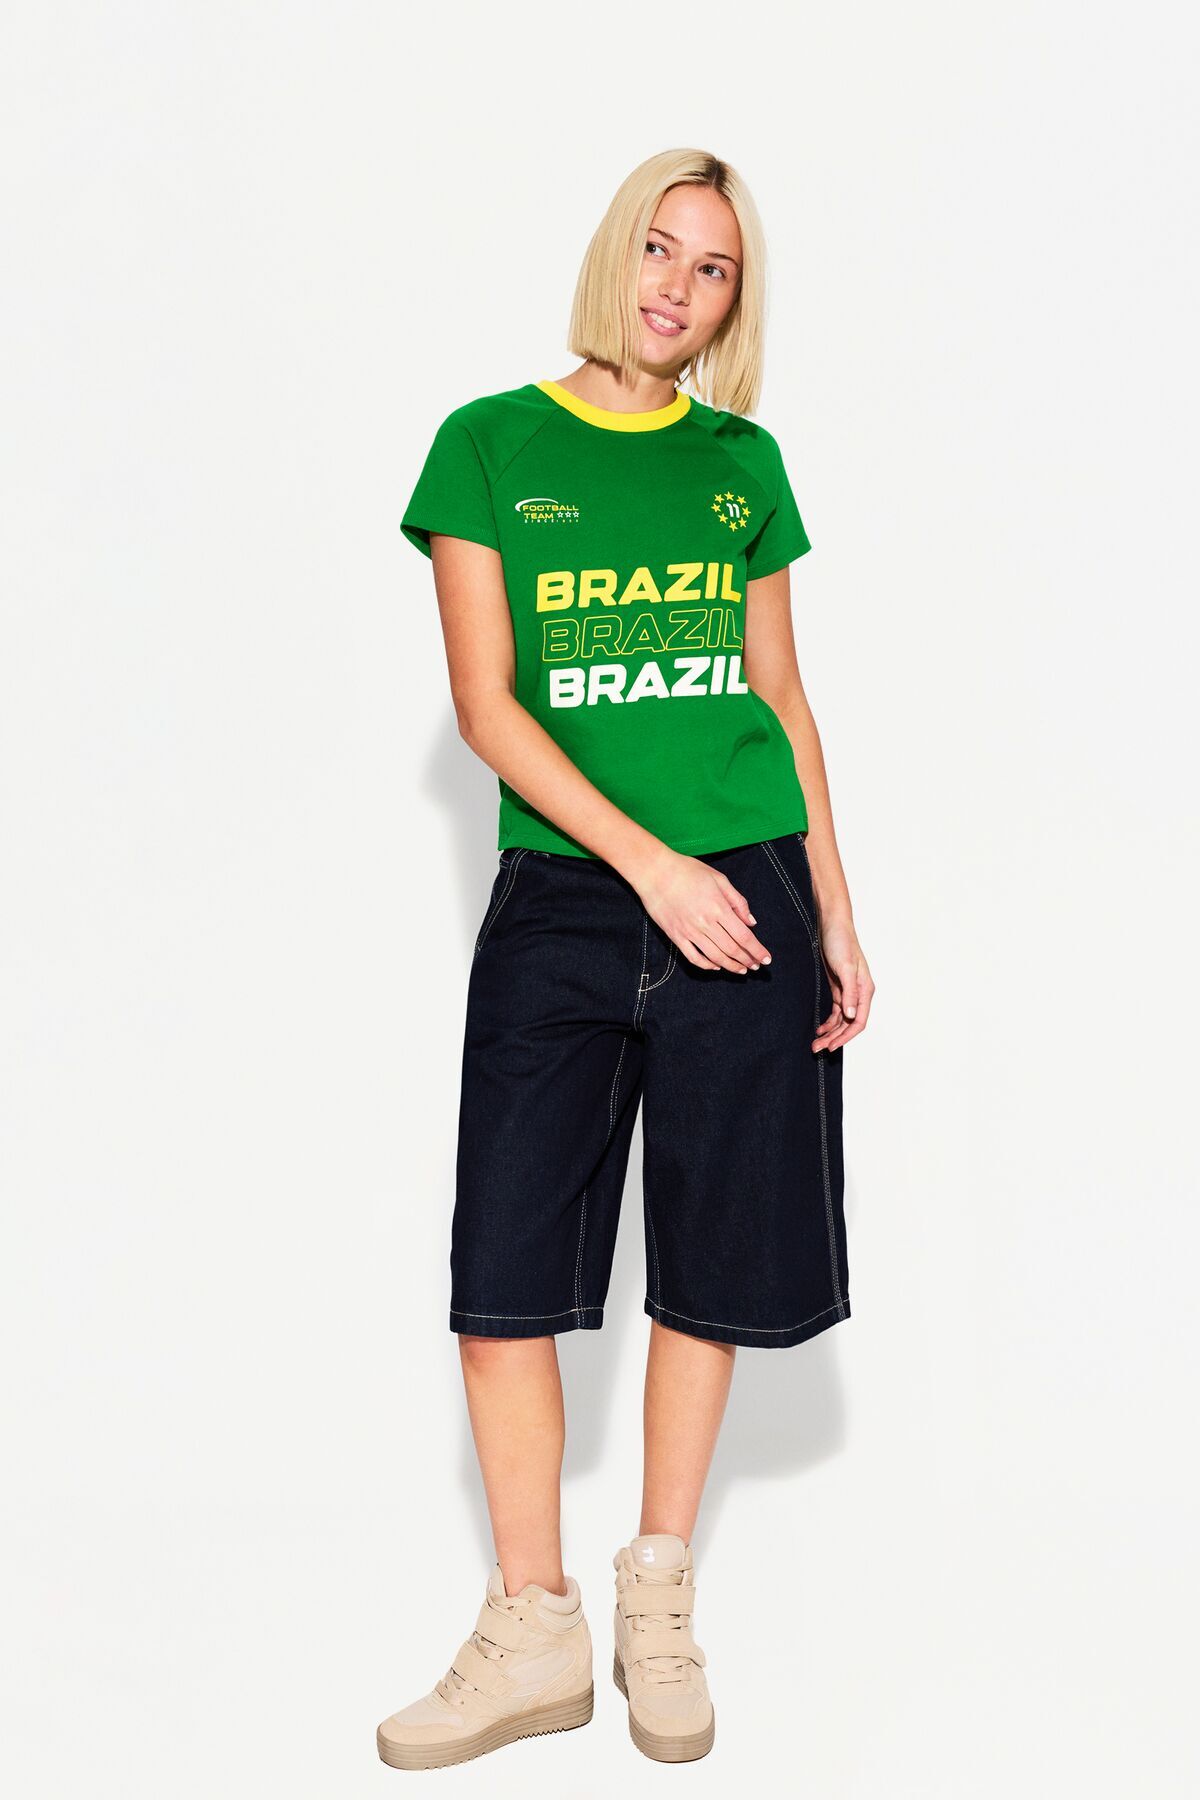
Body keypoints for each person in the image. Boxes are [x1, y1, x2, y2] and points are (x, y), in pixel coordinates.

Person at [377, 147, 874, 1772]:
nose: (678, 286)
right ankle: (532, 1624)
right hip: (576, 896)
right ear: (616, 253)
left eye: (713, 268)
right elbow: (489, 707)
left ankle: (657, 1595)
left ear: (735, 301)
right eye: (660, 249)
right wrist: (647, 866)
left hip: (745, 893)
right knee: (504, 1269)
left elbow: (780, 698)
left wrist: (835, 909)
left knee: (711, 1259)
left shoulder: (742, 465)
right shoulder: (490, 445)